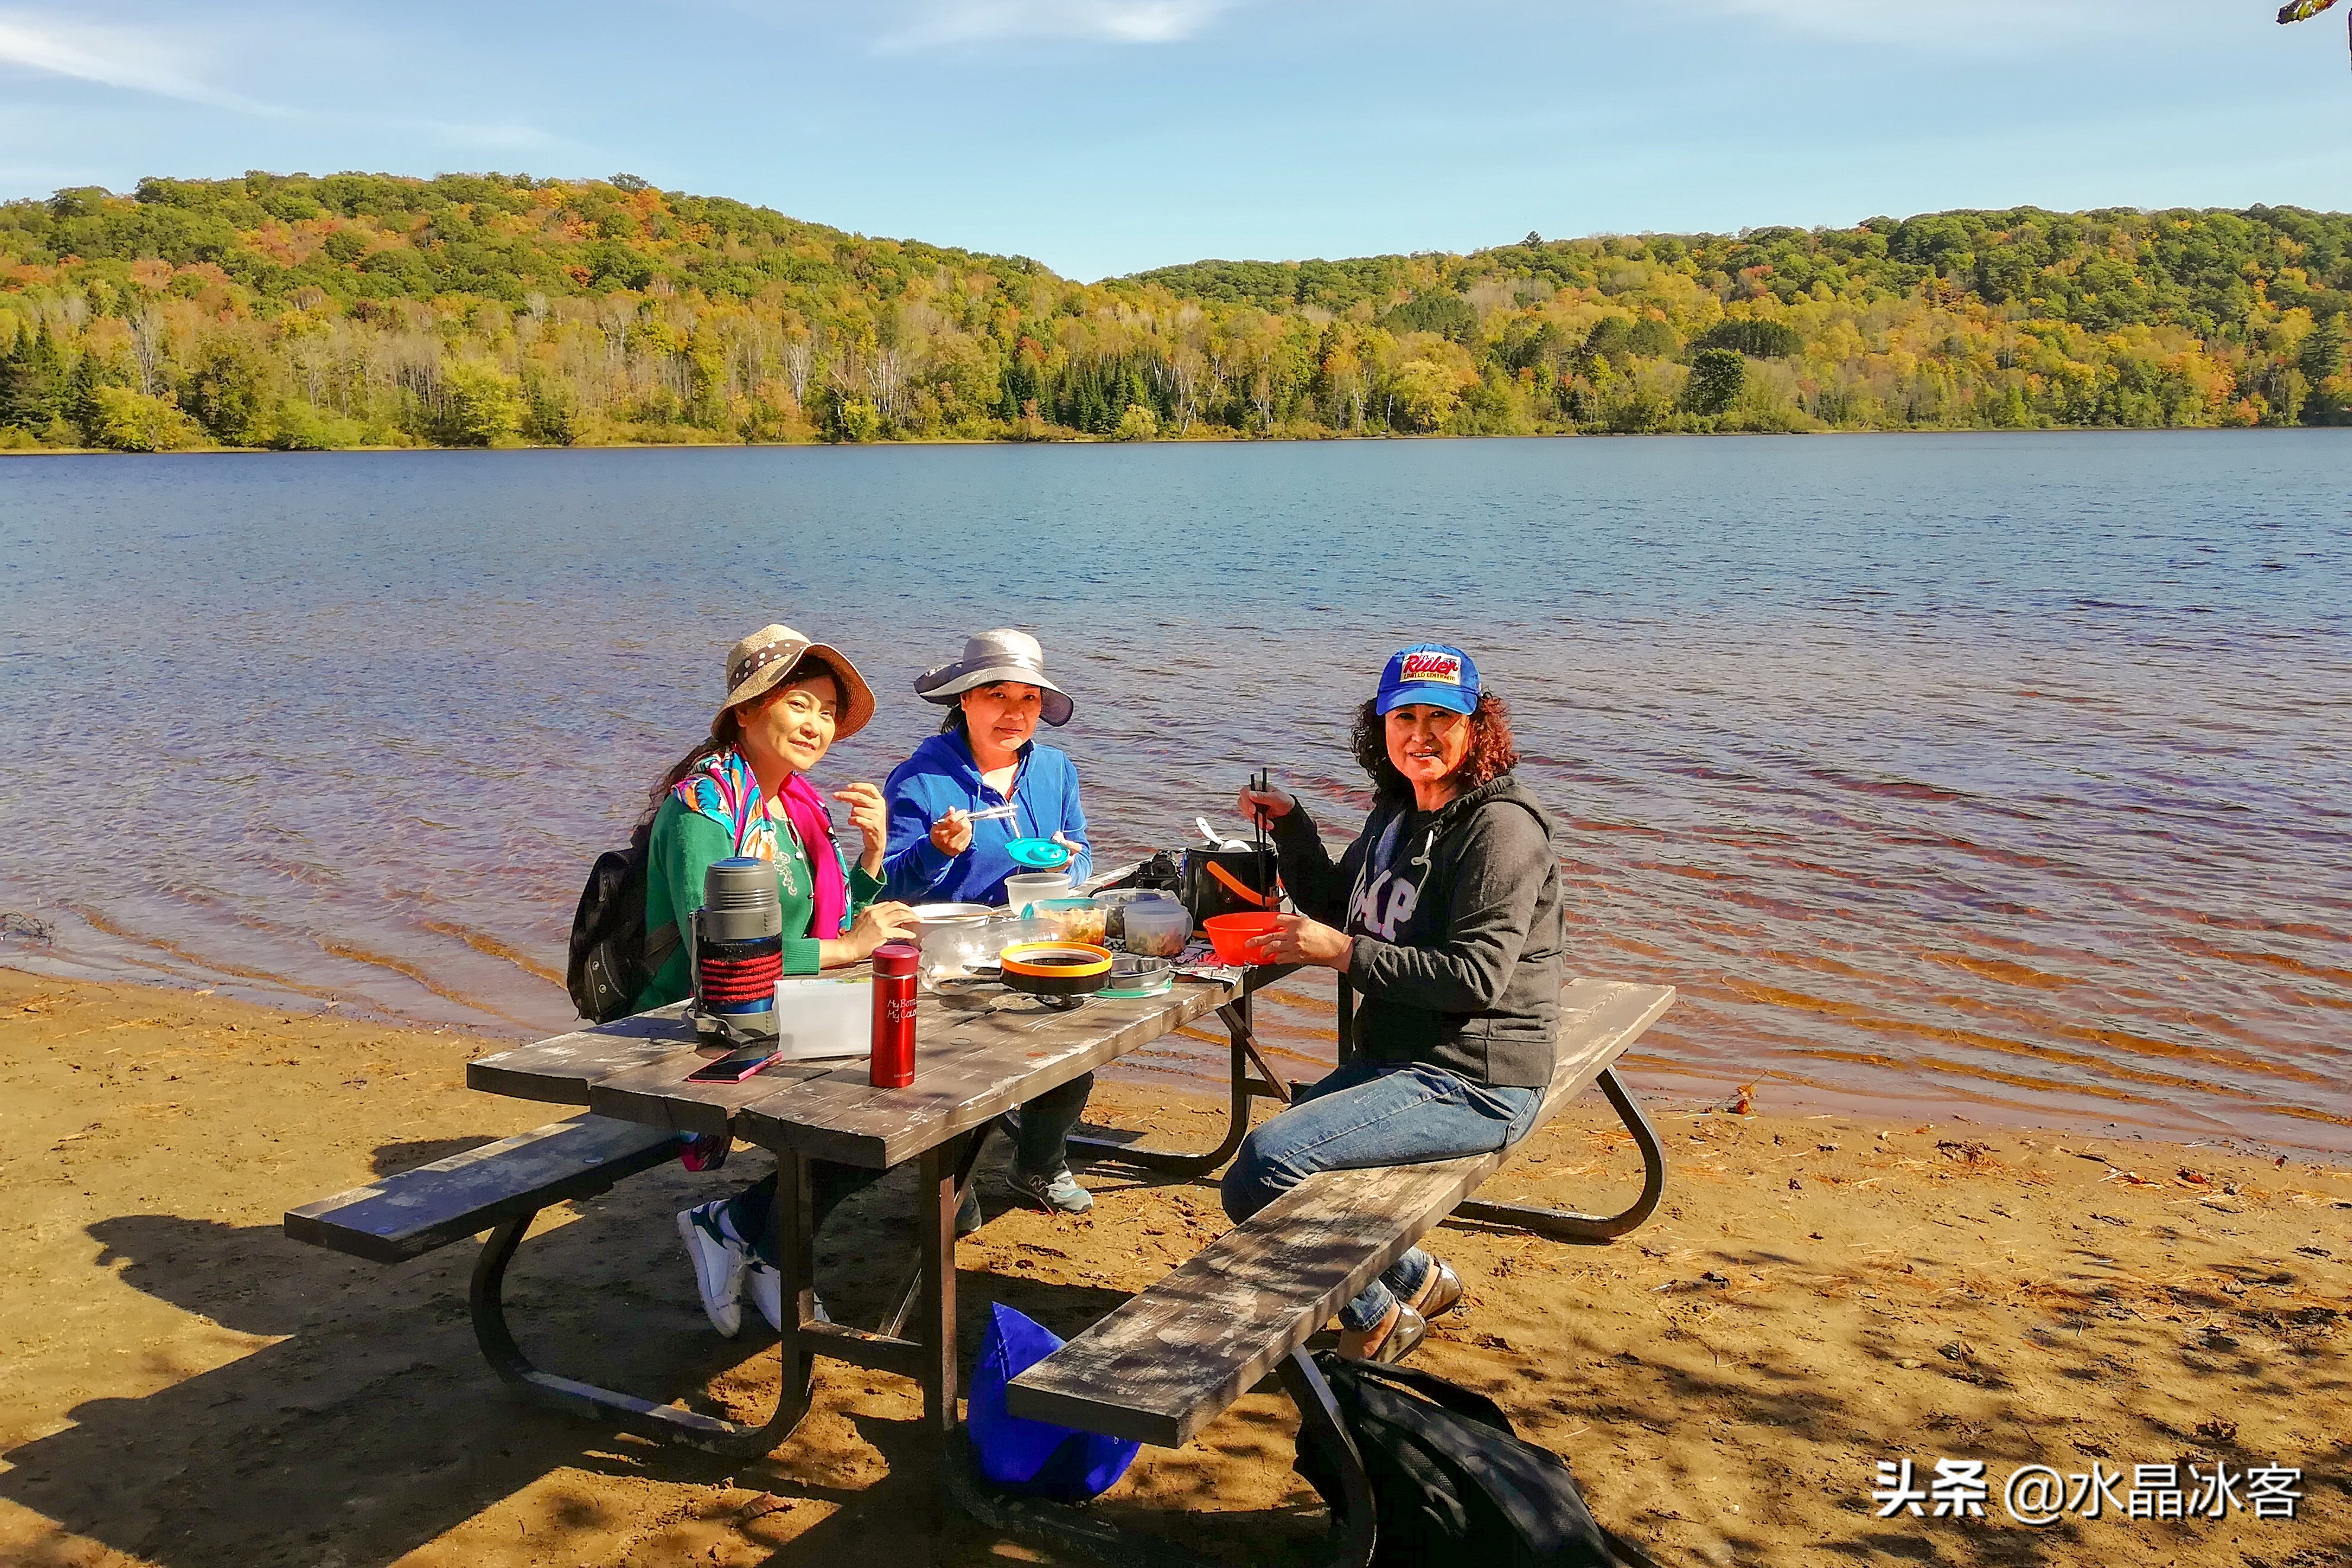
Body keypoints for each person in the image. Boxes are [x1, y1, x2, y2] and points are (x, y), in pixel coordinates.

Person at [1223, 642, 1564, 1364]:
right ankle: (1418, 1279)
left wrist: (1343, 954)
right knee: (1270, 1170)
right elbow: (1338, 905)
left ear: (1477, 727)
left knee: (1266, 1166)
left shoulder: (1500, 829)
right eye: (1403, 717)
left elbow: (1474, 977)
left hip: (1477, 1080)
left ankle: (1378, 1319)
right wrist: (1291, 824)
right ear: (1378, 728)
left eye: (1441, 717)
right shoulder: (1398, 811)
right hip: (1401, 1059)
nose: (1420, 734)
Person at [641, 623, 919, 1338]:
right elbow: (715, 947)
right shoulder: (703, 808)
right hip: (698, 1025)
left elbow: (828, 925)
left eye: (827, 711)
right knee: (880, 1111)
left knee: (908, 1090)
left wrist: (872, 856)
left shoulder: (797, 809)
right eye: (799, 703)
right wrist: (848, 951)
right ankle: (754, 1236)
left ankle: (751, 1234)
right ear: (746, 710)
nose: (816, 724)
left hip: (779, 1009)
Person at [879, 627, 1097, 1214]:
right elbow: (885, 887)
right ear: (965, 700)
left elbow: (1082, 853)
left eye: (1029, 699)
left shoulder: (1055, 770)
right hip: (947, 958)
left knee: (1078, 1045)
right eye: (997, 695)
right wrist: (935, 851)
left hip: (1035, 942)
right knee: (963, 1073)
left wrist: (1069, 865)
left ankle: (1038, 1165)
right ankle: (952, 1184)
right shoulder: (920, 779)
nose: (1015, 713)